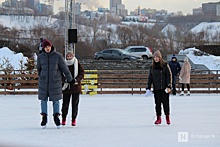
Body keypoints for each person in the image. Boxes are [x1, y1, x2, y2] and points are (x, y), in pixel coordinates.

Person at [37, 39, 74, 128]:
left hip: (55, 82)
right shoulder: (40, 57)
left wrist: (70, 79)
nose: (47, 48)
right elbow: (39, 69)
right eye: (45, 47)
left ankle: (56, 117)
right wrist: (42, 76)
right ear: (43, 48)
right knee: (43, 100)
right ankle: (44, 117)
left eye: (48, 47)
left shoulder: (58, 56)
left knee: (56, 100)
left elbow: (65, 68)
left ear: (51, 46)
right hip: (44, 82)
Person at [145, 50, 172, 125]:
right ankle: (158, 118)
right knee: (157, 104)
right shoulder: (152, 67)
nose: (156, 59)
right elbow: (150, 77)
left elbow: (169, 76)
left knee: (166, 104)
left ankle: (167, 117)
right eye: (155, 57)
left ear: (160, 58)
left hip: (164, 89)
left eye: (157, 57)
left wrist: (168, 86)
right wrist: (148, 87)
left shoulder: (165, 65)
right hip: (156, 89)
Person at [61, 51, 84, 126]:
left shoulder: (77, 64)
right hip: (66, 87)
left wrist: (76, 80)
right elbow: (60, 73)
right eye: (68, 56)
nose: (69, 57)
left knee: (75, 104)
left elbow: (81, 73)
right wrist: (65, 79)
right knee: (65, 104)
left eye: (71, 56)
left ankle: (74, 119)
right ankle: (64, 117)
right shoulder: (63, 64)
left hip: (75, 87)